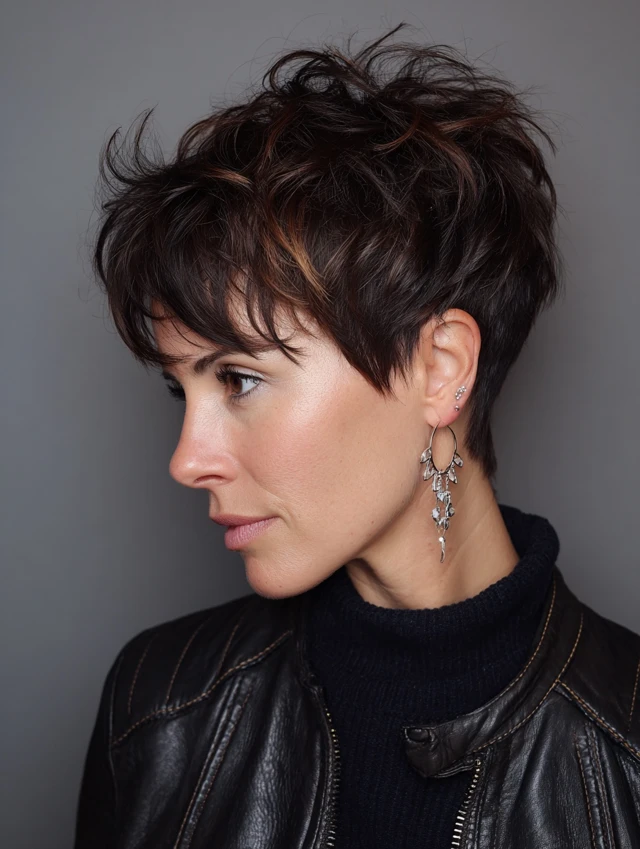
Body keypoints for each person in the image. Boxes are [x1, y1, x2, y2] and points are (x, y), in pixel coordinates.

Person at [74, 23, 640, 849]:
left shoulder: (625, 751)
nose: (187, 459)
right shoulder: (157, 710)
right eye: (180, 389)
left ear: (440, 368)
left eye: (239, 379)